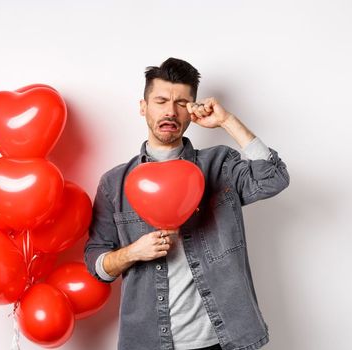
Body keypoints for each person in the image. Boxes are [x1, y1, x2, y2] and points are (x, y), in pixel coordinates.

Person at [83, 57, 290, 350]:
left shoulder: (219, 165)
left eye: (181, 102)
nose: (170, 111)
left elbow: (274, 178)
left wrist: (227, 121)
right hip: (149, 341)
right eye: (161, 100)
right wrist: (132, 252)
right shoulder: (114, 183)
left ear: (192, 111)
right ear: (143, 107)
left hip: (222, 339)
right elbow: (96, 263)